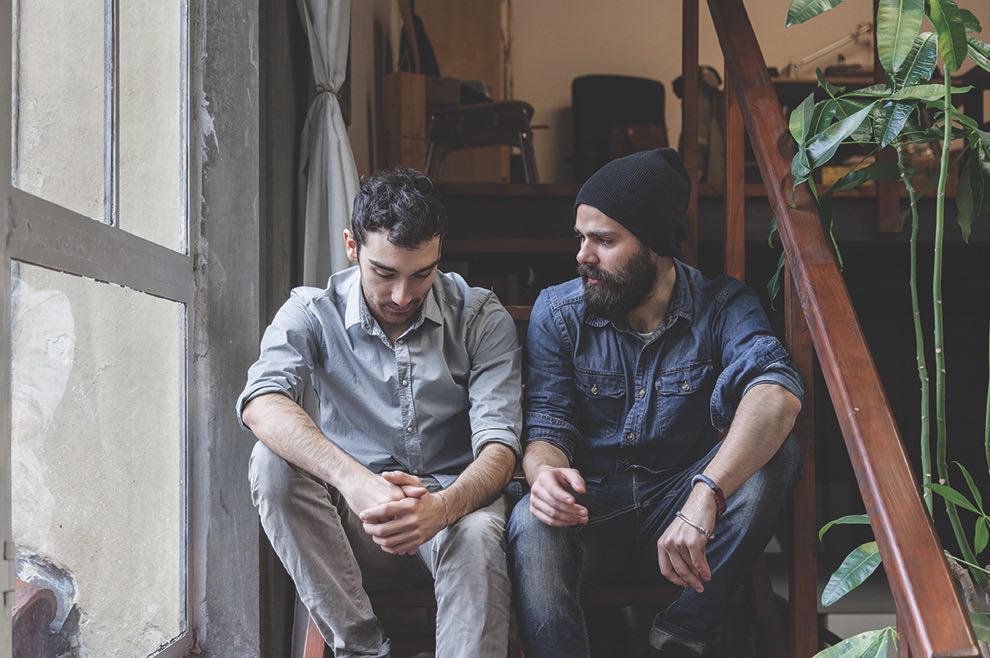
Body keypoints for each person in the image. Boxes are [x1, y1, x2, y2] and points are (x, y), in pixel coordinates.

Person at [507, 148, 804, 657]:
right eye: (581, 237)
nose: (583, 256)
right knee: (530, 521)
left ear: (656, 246)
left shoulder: (722, 306)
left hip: (685, 514)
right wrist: (545, 475)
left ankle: (681, 635)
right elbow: (548, 427)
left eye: (604, 240)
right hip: (593, 512)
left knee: (779, 451)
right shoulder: (558, 312)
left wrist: (706, 494)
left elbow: (776, 394)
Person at [238, 167, 521, 658]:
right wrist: (356, 483)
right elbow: (261, 402)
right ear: (352, 246)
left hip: (454, 514)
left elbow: (500, 449)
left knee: (478, 535)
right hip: (354, 525)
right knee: (270, 463)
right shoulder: (312, 311)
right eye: (385, 273)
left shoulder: (480, 315)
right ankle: (363, 651)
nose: (402, 296)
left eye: (422, 274)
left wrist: (441, 508)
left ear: (439, 253)